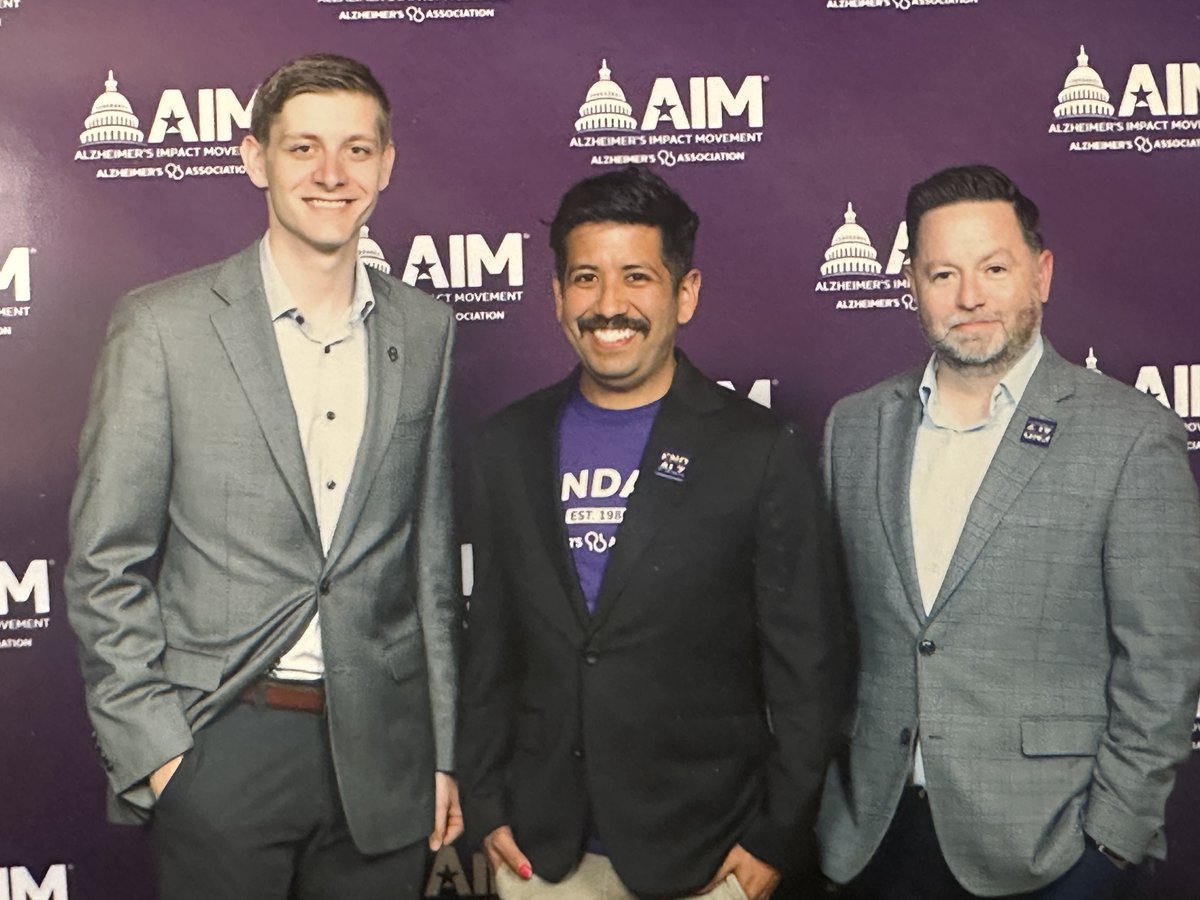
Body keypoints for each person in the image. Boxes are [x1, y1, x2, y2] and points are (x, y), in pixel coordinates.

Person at [65, 53, 461, 899]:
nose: (330, 174)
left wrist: (443, 753)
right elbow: (106, 563)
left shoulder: (427, 330)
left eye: (357, 150)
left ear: (386, 165)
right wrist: (161, 756)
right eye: (302, 148)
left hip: (385, 766)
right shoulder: (162, 327)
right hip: (222, 747)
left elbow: (429, 565)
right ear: (255, 159)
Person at [458, 165, 844, 900]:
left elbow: (808, 666)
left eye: (637, 277)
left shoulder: (756, 449)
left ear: (684, 294)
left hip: (708, 851)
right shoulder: (506, 445)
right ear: (556, 297)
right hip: (546, 854)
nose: (610, 305)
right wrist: (485, 804)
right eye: (585, 279)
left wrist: (775, 833)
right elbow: (489, 648)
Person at [816, 163, 1200, 899]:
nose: (969, 297)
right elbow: (831, 636)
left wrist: (1109, 846)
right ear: (912, 285)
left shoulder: (1129, 437)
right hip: (873, 842)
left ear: (1041, 274)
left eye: (994, 268)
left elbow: (1164, 665)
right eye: (942, 274)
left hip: (1050, 851)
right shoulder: (855, 427)